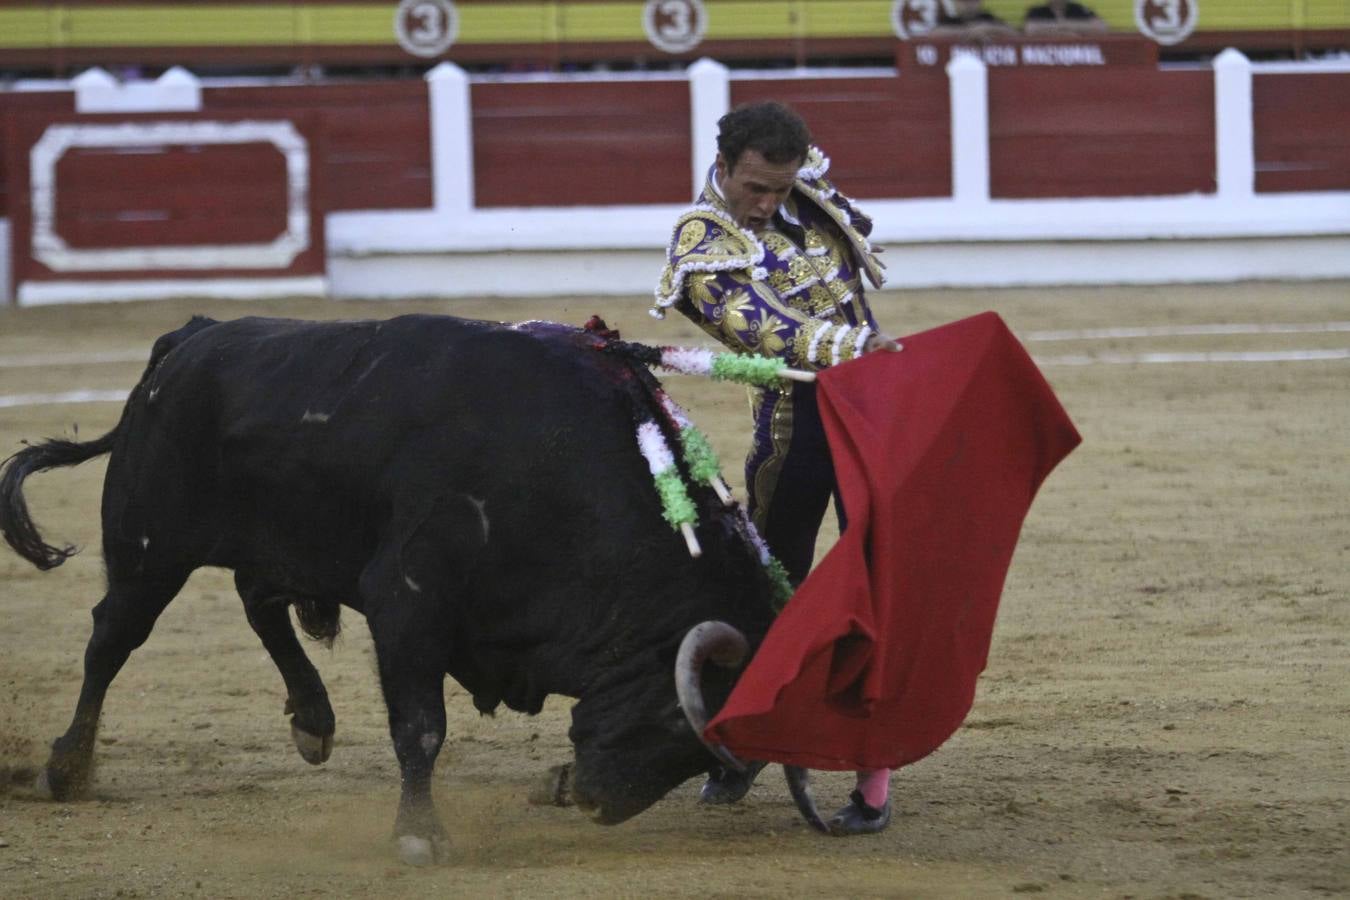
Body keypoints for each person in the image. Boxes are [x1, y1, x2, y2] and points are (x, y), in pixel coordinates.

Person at [652, 101, 900, 836]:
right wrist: (851, 350)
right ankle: (743, 746)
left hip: (874, 410)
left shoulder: (804, 194)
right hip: (801, 430)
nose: (764, 203)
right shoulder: (701, 239)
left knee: (878, 584)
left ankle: (873, 767)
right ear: (722, 167)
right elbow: (762, 328)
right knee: (772, 590)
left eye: (778, 189)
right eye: (753, 188)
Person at [930, 0, 1018, 37]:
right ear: (956, 3)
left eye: (972, 1)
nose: (968, 5)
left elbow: (1015, 34)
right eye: (964, 1)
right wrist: (968, 32)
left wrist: (989, 28)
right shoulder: (950, 21)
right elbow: (933, 34)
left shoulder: (988, 19)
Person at [1022, 0, 1108, 35]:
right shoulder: (1037, 11)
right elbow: (1030, 29)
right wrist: (1064, 30)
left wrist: (1066, 25)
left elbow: (1101, 27)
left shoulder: (1078, 9)